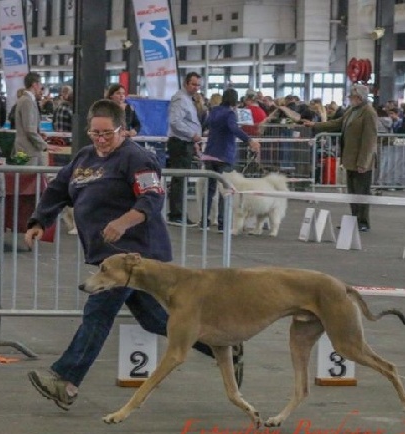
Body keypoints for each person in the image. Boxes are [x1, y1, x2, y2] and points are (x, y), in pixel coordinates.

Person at [25, 99, 243, 410]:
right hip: (107, 255)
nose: (100, 139)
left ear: (123, 130)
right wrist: (39, 221)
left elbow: (152, 197)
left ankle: (65, 380)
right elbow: (58, 190)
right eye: (94, 133)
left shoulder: (137, 159)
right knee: (157, 319)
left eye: (107, 133)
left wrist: (124, 221)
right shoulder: (84, 158)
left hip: (136, 257)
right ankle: (223, 343)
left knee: (98, 314)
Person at [303, 84, 377, 232]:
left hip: (361, 161)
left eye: (352, 96)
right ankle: (353, 219)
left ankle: (363, 222)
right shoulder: (352, 110)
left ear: (359, 97)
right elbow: (337, 123)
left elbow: (370, 140)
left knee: (361, 193)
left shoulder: (368, 112)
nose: (349, 99)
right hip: (350, 159)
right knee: (352, 192)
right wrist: (315, 125)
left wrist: (364, 162)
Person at [200, 88, 261, 231]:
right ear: (235, 100)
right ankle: (222, 223)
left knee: (209, 190)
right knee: (225, 190)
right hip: (223, 155)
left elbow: (205, 126)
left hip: (209, 154)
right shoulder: (230, 113)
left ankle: (205, 221)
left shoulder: (214, 111)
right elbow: (234, 129)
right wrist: (250, 140)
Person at [166, 71, 203, 226]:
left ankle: (178, 212)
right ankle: (176, 213)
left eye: (198, 85)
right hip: (180, 143)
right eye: (193, 84)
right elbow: (175, 121)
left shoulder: (188, 99)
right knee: (179, 179)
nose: (196, 88)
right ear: (185, 83)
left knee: (181, 179)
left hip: (185, 143)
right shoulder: (180, 99)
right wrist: (192, 134)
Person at [14, 72, 47, 165]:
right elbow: (29, 129)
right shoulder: (27, 101)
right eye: (40, 84)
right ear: (35, 84)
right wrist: (43, 145)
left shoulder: (26, 100)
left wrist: (39, 133)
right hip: (28, 150)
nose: (41, 87)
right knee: (30, 178)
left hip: (26, 149)